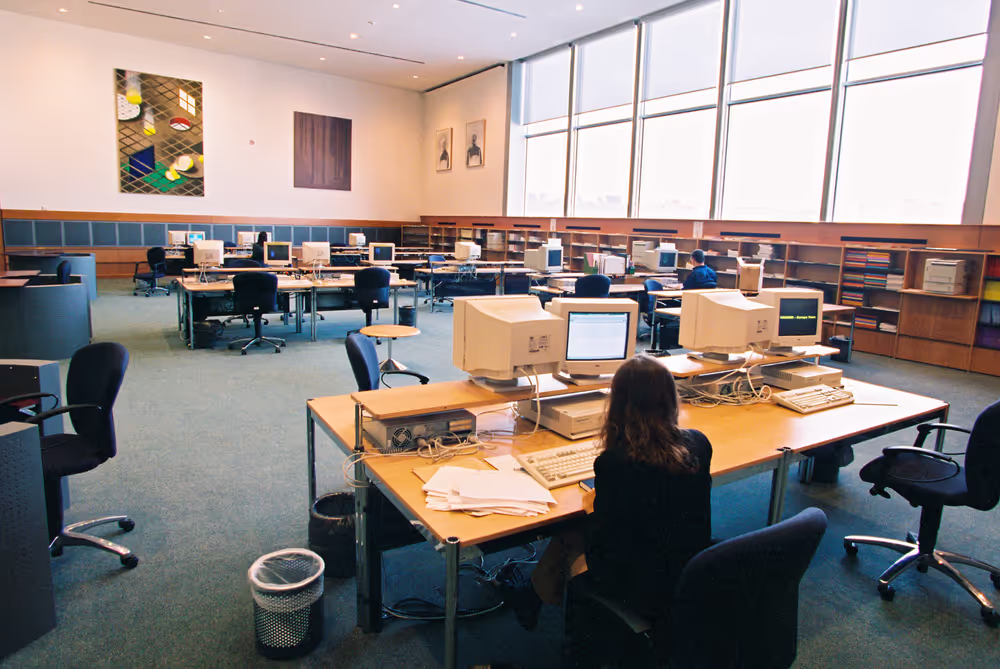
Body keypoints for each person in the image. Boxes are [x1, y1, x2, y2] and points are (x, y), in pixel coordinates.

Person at [499, 355, 713, 628]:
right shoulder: (698, 442)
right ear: (671, 398)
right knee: (572, 527)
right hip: (689, 565)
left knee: (570, 529)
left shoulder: (616, 462)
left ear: (618, 404)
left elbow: (605, 539)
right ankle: (533, 594)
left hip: (640, 583)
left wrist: (594, 507)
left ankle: (544, 602)